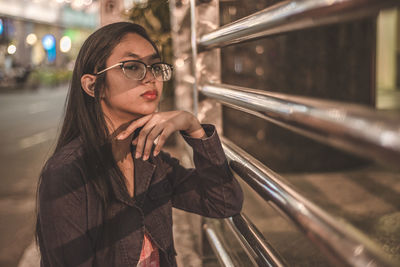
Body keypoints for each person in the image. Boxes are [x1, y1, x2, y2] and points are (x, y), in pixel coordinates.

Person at [36, 22, 243, 267]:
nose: (151, 78)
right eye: (132, 67)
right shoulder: (68, 172)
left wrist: (193, 127)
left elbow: (223, 202)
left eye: (155, 67)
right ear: (93, 86)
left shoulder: (150, 160)